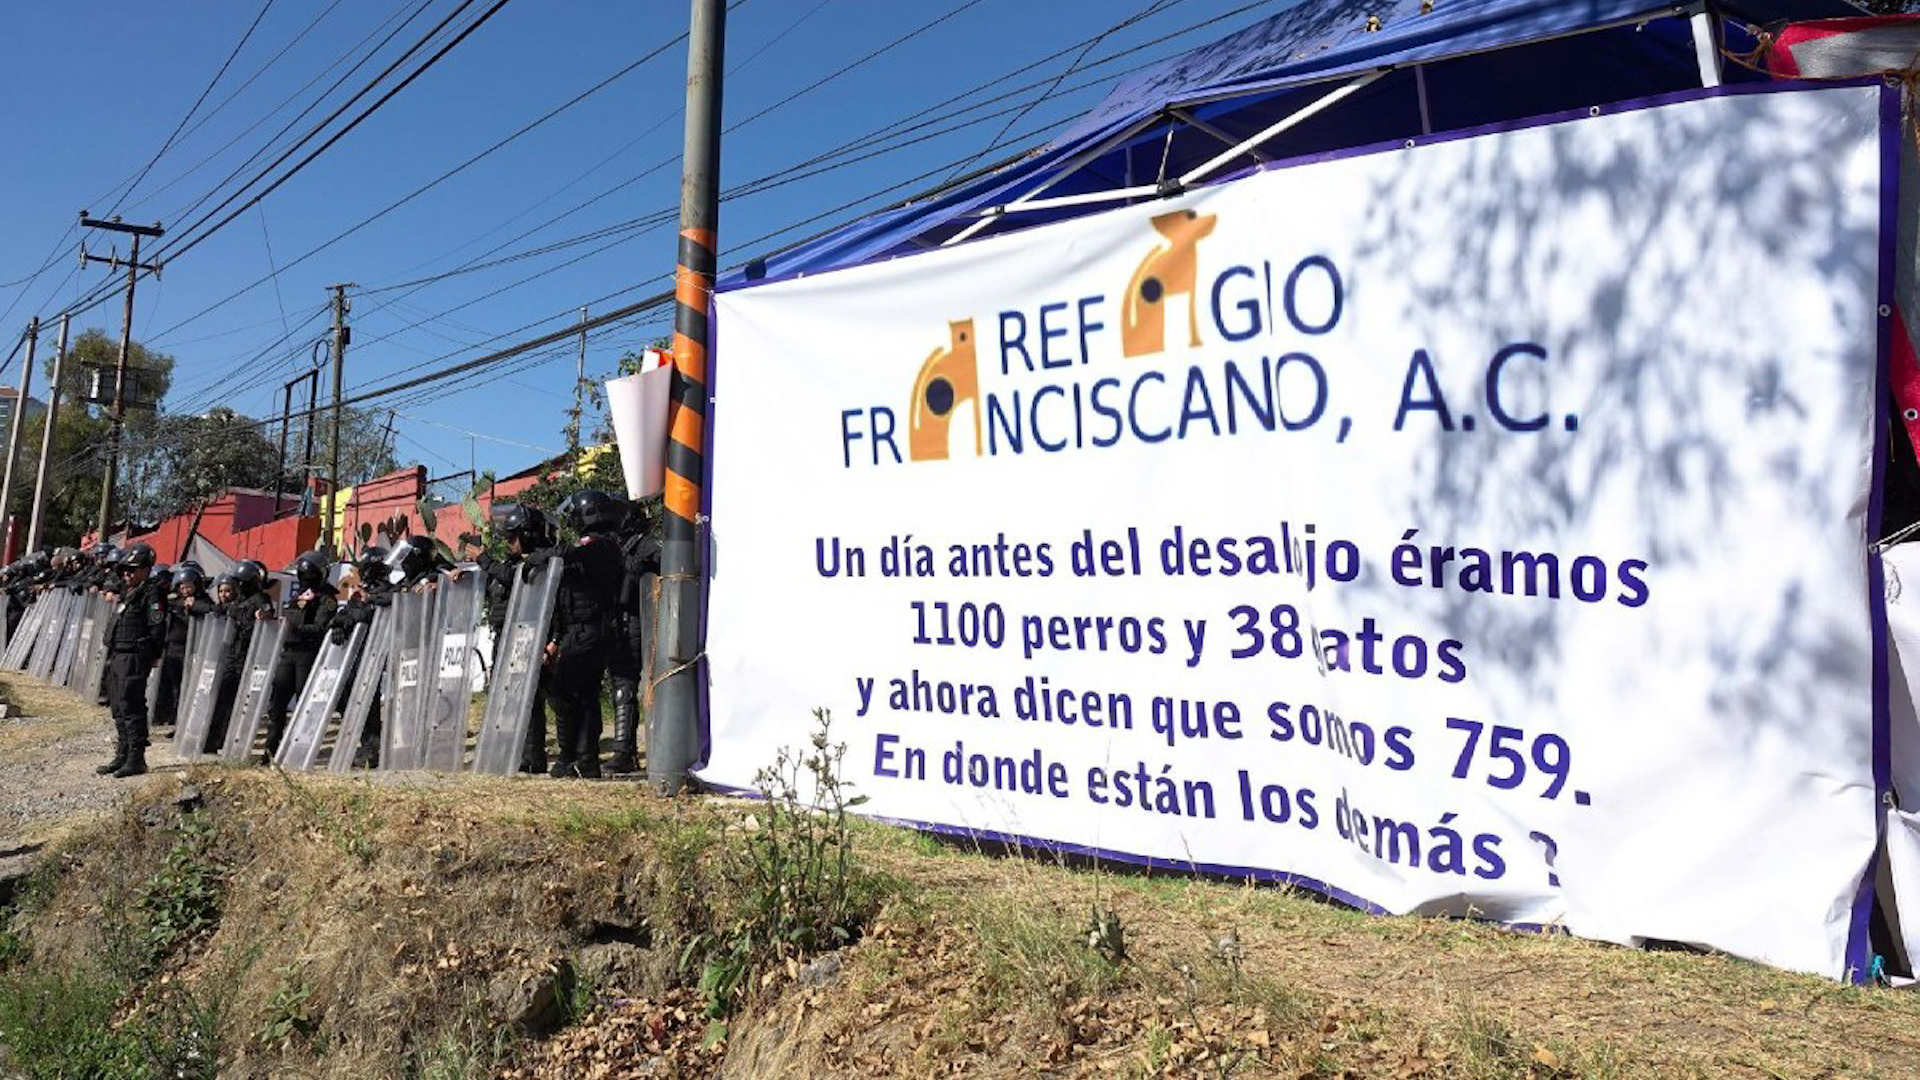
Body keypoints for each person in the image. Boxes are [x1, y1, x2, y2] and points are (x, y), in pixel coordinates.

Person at [544, 490, 625, 779]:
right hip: (582, 631)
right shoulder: (598, 547)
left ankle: (575, 757)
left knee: (564, 692)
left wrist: (540, 556)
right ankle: (582, 760)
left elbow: (568, 554)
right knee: (583, 695)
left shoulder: (602, 547)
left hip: (591, 629)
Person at [480, 504, 556, 774]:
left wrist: (485, 560)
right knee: (507, 697)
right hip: (505, 635)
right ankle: (512, 752)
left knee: (529, 698)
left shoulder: (541, 561)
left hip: (528, 637)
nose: (509, 542)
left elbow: (518, 580)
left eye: (513, 536)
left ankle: (533, 757)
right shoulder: (512, 564)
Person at [95, 544, 168, 778]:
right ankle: (123, 753)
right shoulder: (130, 592)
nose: (127, 574)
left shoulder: (152, 593)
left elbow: (157, 627)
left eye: (132, 570)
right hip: (119, 654)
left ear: (146, 570)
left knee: (131, 704)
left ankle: (136, 758)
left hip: (135, 655)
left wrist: (153, 654)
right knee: (117, 705)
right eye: (125, 570)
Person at [260, 551, 341, 762]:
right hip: (288, 653)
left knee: (305, 704)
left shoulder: (327, 598)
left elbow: (321, 628)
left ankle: (301, 749)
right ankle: (271, 750)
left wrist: (295, 629)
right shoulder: (303, 596)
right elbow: (290, 616)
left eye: (309, 574)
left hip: (308, 654)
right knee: (277, 704)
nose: (305, 578)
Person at [608, 504, 661, 774]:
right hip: (620, 622)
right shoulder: (615, 548)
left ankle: (639, 750)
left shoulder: (647, 545)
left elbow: (667, 569)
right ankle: (623, 750)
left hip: (643, 621)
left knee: (643, 686)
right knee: (621, 687)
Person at [330, 546, 392, 767]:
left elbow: (379, 608)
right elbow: (347, 613)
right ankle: (367, 739)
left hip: (376, 652)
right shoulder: (362, 592)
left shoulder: (387, 591)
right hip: (355, 654)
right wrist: (339, 624)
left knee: (368, 699)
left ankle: (373, 745)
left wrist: (368, 602)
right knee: (343, 695)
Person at [206, 561, 274, 754]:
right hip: (232, 654)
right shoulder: (237, 601)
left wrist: (263, 614)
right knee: (222, 698)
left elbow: (266, 614)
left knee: (239, 701)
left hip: (248, 656)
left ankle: (231, 741)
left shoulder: (260, 598)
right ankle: (213, 740)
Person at [153, 563, 213, 732]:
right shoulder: (174, 601)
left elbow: (211, 611)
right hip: (172, 648)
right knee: (169, 685)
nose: (185, 589)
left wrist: (193, 607)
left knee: (185, 687)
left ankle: (182, 722)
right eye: (182, 586)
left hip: (192, 649)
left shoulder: (203, 601)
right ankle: (165, 716)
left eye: (189, 586)